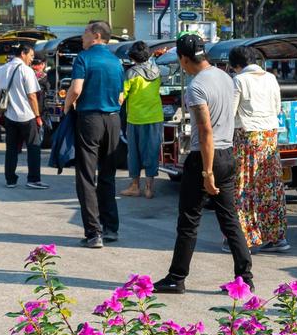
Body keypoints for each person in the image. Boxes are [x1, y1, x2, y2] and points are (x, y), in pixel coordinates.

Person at [153, 33, 253, 294]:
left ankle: (176, 277)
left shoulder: (196, 86)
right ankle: (245, 277)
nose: (182, 66)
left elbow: (205, 130)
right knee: (230, 219)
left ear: (185, 59)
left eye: (181, 61)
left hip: (204, 158)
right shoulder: (225, 77)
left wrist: (207, 172)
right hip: (227, 154)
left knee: (189, 219)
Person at [64, 21, 124, 247]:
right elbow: (120, 95)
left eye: (85, 33)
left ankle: (93, 232)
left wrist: (67, 107)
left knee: (87, 177)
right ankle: (111, 228)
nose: (82, 37)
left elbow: (76, 88)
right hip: (113, 120)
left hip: (90, 119)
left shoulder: (84, 57)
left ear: (96, 35)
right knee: (108, 175)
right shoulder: (116, 61)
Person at [231, 45, 289, 252]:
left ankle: (243, 238)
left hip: (247, 137)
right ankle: (276, 236)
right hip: (270, 136)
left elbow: (230, 112)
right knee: (270, 187)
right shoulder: (271, 78)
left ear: (237, 65)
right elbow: (277, 107)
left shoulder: (239, 80)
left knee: (244, 187)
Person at [0, 41, 46, 189]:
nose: (32, 59)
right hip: (27, 116)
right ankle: (34, 179)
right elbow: (32, 96)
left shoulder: (2, 69)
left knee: (11, 149)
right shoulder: (26, 70)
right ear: (22, 54)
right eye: (30, 55)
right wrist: (37, 116)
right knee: (33, 147)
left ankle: (10, 180)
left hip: (10, 116)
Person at [119, 41, 164, 199]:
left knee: (134, 153)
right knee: (152, 151)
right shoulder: (157, 71)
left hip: (136, 118)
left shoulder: (130, 74)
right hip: (155, 117)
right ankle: (149, 188)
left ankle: (135, 186)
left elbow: (121, 97)